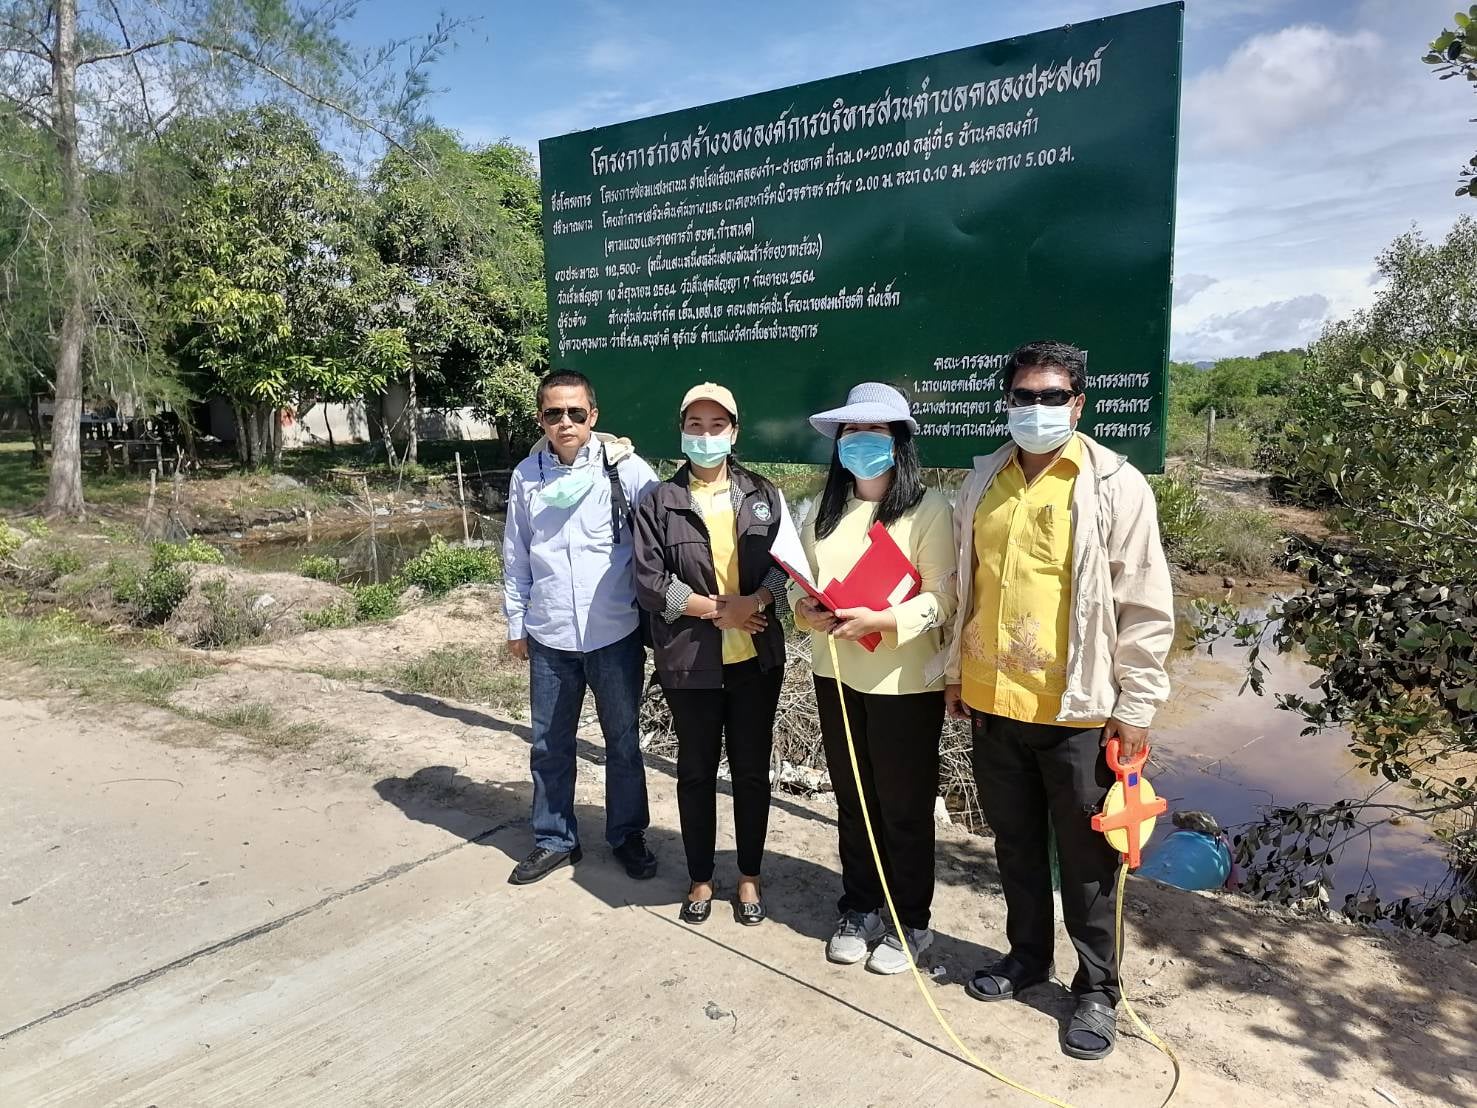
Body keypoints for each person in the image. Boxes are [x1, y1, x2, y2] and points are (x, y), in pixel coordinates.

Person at [942, 341, 1174, 1060]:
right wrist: (955, 673)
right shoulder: (985, 478)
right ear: (1006, 402)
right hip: (992, 699)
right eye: (1022, 396)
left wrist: (1135, 704)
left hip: (1076, 708)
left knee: (1086, 861)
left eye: (1050, 397)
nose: (1034, 409)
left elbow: (1143, 600)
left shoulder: (1114, 484)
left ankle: (1097, 991)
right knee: (1012, 845)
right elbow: (964, 584)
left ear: (1077, 403)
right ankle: (1025, 958)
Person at [791, 383, 957, 975]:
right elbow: (801, 582)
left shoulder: (930, 509)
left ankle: (910, 920)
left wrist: (885, 619)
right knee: (854, 799)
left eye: (875, 434)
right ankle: (859, 906)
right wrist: (802, 608)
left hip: (905, 683)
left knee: (905, 807)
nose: (861, 445)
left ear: (900, 442)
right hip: (834, 672)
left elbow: (943, 599)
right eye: (852, 435)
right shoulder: (821, 511)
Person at [632, 383, 805, 926]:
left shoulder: (763, 494)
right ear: (682, 430)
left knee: (752, 772)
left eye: (717, 426)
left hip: (755, 660)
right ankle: (701, 877)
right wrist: (712, 608)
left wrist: (753, 601)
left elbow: (787, 566)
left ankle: (749, 877)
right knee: (696, 772)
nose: (705, 436)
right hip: (689, 661)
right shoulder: (659, 500)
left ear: (734, 431)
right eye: (695, 425)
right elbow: (648, 580)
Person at [502, 369, 660, 886]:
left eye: (575, 412)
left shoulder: (625, 469)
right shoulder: (526, 476)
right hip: (549, 636)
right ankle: (553, 838)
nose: (565, 422)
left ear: (593, 416)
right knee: (549, 743)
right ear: (541, 418)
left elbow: (664, 532)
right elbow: (516, 554)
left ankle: (627, 836)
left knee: (623, 742)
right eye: (554, 413)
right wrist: (516, 623)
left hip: (614, 634)